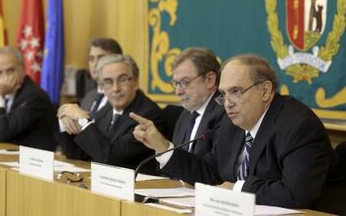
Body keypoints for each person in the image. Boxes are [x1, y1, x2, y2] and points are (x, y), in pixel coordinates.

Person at [132, 53, 339, 209]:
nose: (227, 103)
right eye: (224, 94)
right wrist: (163, 148)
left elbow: (296, 192)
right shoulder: (232, 124)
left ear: (265, 90)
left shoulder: (298, 126)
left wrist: (237, 188)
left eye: (236, 92)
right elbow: (210, 171)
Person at [57, 54, 165, 171]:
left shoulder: (148, 115)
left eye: (122, 79)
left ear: (135, 83)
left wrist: (82, 120)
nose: (115, 88)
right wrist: (65, 117)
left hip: (134, 186)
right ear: (102, 87)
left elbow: (110, 157)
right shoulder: (107, 110)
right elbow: (80, 156)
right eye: (108, 82)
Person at [132, 47, 225, 164]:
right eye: (176, 83)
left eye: (185, 82)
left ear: (209, 80)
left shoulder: (224, 114)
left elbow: (211, 170)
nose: (178, 91)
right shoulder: (186, 115)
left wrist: (164, 147)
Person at [77, 37, 123, 114]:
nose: (95, 64)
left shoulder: (124, 97)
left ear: (117, 60)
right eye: (91, 59)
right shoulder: (88, 97)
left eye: (101, 58)